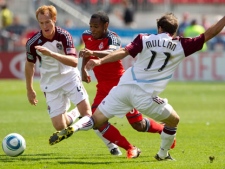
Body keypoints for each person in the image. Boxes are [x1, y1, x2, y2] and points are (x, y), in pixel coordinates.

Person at [49, 12, 225, 160]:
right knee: (174, 120)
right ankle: (162, 154)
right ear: (174, 31)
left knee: (96, 119)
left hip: (122, 88)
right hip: (144, 96)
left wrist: (99, 60)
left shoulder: (144, 38)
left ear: (159, 28)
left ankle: (75, 127)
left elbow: (123, 52)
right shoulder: (181, 45)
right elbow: (210, 33)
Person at [49, 11, 175, 158]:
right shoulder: (86, 35)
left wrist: (93, 53)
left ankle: (163, 129)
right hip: (102, 87)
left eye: (96, 26)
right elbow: (86, 52)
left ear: (106, 25)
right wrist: (83, 70)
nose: (93, 30)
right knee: (97, 122)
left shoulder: (113, 38)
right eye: (91, 26)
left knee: (137, 125)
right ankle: (130, 148)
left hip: (122, 86)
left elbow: (112, 51)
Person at [25, 5, 91, 136]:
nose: (45, 26)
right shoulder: (32, 43)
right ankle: (74, 113)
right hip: (50, 83)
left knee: (87, 115)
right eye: (41, 23)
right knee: (60, 126)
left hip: (69, 77)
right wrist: (29, 89)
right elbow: (29, 65)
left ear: (54, 19)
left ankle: (111, 145)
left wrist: (51, 54)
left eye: (47, 22)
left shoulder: (64, 35)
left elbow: (74, 62)